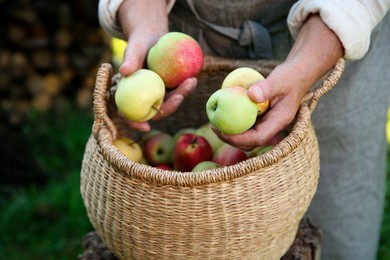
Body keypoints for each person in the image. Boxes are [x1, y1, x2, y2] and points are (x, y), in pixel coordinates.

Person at [98, 0, 390, 259]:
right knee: (201, 231)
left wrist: (305, 67)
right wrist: (145, 24)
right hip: (192, 38)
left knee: (340, 219)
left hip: (330, 43)